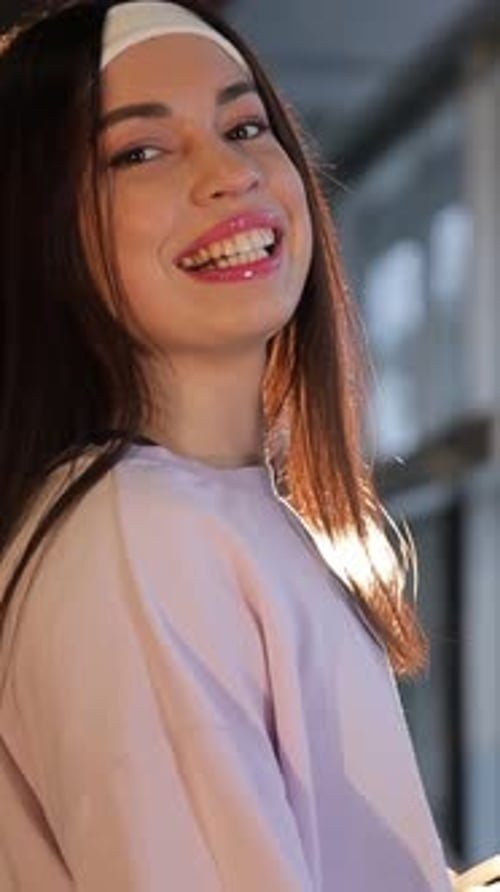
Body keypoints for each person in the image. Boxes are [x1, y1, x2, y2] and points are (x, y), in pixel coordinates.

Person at [0, 1, 470, 888]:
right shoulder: (138, 538)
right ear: (39, 224)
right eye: (138, 151)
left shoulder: (210, 513)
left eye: (246, 125)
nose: (230, 175)